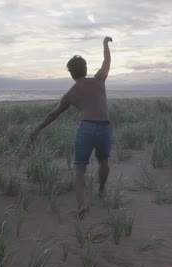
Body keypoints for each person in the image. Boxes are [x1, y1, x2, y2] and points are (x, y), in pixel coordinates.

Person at [29, 36, 113, 219]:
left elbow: (54, 114)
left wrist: (37, 129)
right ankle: (101, 189)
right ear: (86, 69)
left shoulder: (71, 93)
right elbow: (106, 61)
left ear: (71, 73)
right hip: (105, 127)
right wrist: (105, 44)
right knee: (104, 162)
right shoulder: (99, 80)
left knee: (80, 170)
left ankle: (82, 204)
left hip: (87, 128)